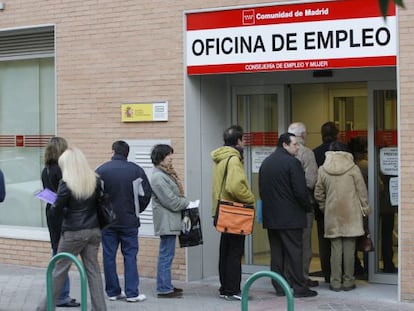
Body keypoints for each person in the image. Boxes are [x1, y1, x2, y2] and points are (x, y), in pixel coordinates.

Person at [36, 148, 107, 311]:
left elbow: (56, 211)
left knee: (59, 270)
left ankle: (44, 308)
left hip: (73, 233)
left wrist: (58, 207)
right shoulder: (94, 180)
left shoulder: (66, 183)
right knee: (93, 271)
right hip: (93, 231)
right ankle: (100, 308)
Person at [259, 132, 317, 298]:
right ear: (284, 145)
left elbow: (263, 190)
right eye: (295, 144)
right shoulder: (293, 163)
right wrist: (307, 207)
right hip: (291, 218)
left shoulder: (266, 163)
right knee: (294, 252)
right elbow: (300, 191)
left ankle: (279, 286)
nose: (298, 147)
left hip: (272, 218)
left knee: (277, 254)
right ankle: (299, 287)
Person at [96, 140, 152, 302]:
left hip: (108, 222)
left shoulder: (101, 170)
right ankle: (132, 293)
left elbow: (95, 196)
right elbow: (146, 195)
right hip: (129, 221)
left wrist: (102, 214)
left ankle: (113, 292)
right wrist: (136, 210)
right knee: (130, 256)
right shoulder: (136, 171)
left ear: (113, 151)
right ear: (127, 153)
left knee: (109, 256)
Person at [314, 142, 371, 291]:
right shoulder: (353, 168)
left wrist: (325, 207)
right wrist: (365, 209)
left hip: (332, 214)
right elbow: (362, 191)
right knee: (349, 250)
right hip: (351, 214)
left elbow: (318, 193)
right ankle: (348, 281)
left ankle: (335, 282)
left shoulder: (323, 169)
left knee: (335, 250)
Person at [211, 125, 255, 301]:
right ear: (238, 141)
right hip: (235, 212)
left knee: (226, 251)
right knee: (235, 253)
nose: (244, 143)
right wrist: (250, 197)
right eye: (243, 139)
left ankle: (225, 287)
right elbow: (234, 186)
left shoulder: (221, 158)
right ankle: (232, 290)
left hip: (222, 210)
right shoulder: (234, 160)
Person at [40, 137, 80, 308]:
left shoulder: (46, 170)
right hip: (63, 213)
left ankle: (60, 293)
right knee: (62, 254)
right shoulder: (63, 169)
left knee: (57, 250)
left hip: (51, 212)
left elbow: (49, 192)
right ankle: (61, 294)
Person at [151, 144, 189, 298]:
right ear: (160, 157)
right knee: (166, 255)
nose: (171, 158)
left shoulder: (165, 174)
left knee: (167, 254)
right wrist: (187, 203)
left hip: (170, 220)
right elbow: (171, 201)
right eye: (168, 155)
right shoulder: (158, 177)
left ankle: (166, 285)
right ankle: (164, 289)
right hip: (166, 220)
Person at [288, 122, 319, 288]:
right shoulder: (307, 153)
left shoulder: (281, 152)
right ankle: (302, 277)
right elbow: (311, 180)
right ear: (304, 135)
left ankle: (288, 277)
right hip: (303, 204)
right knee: (304, 242)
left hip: (285, 206)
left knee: (288, 241)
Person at [313, 121, 339, 283]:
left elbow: (313, 181)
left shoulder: (315, 153)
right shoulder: (343, 151)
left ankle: (328, 274)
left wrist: (320, 204)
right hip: (340, 203)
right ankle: (340, 274)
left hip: (321, 205)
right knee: (340, 240)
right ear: (337, 133)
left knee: (324, 241)